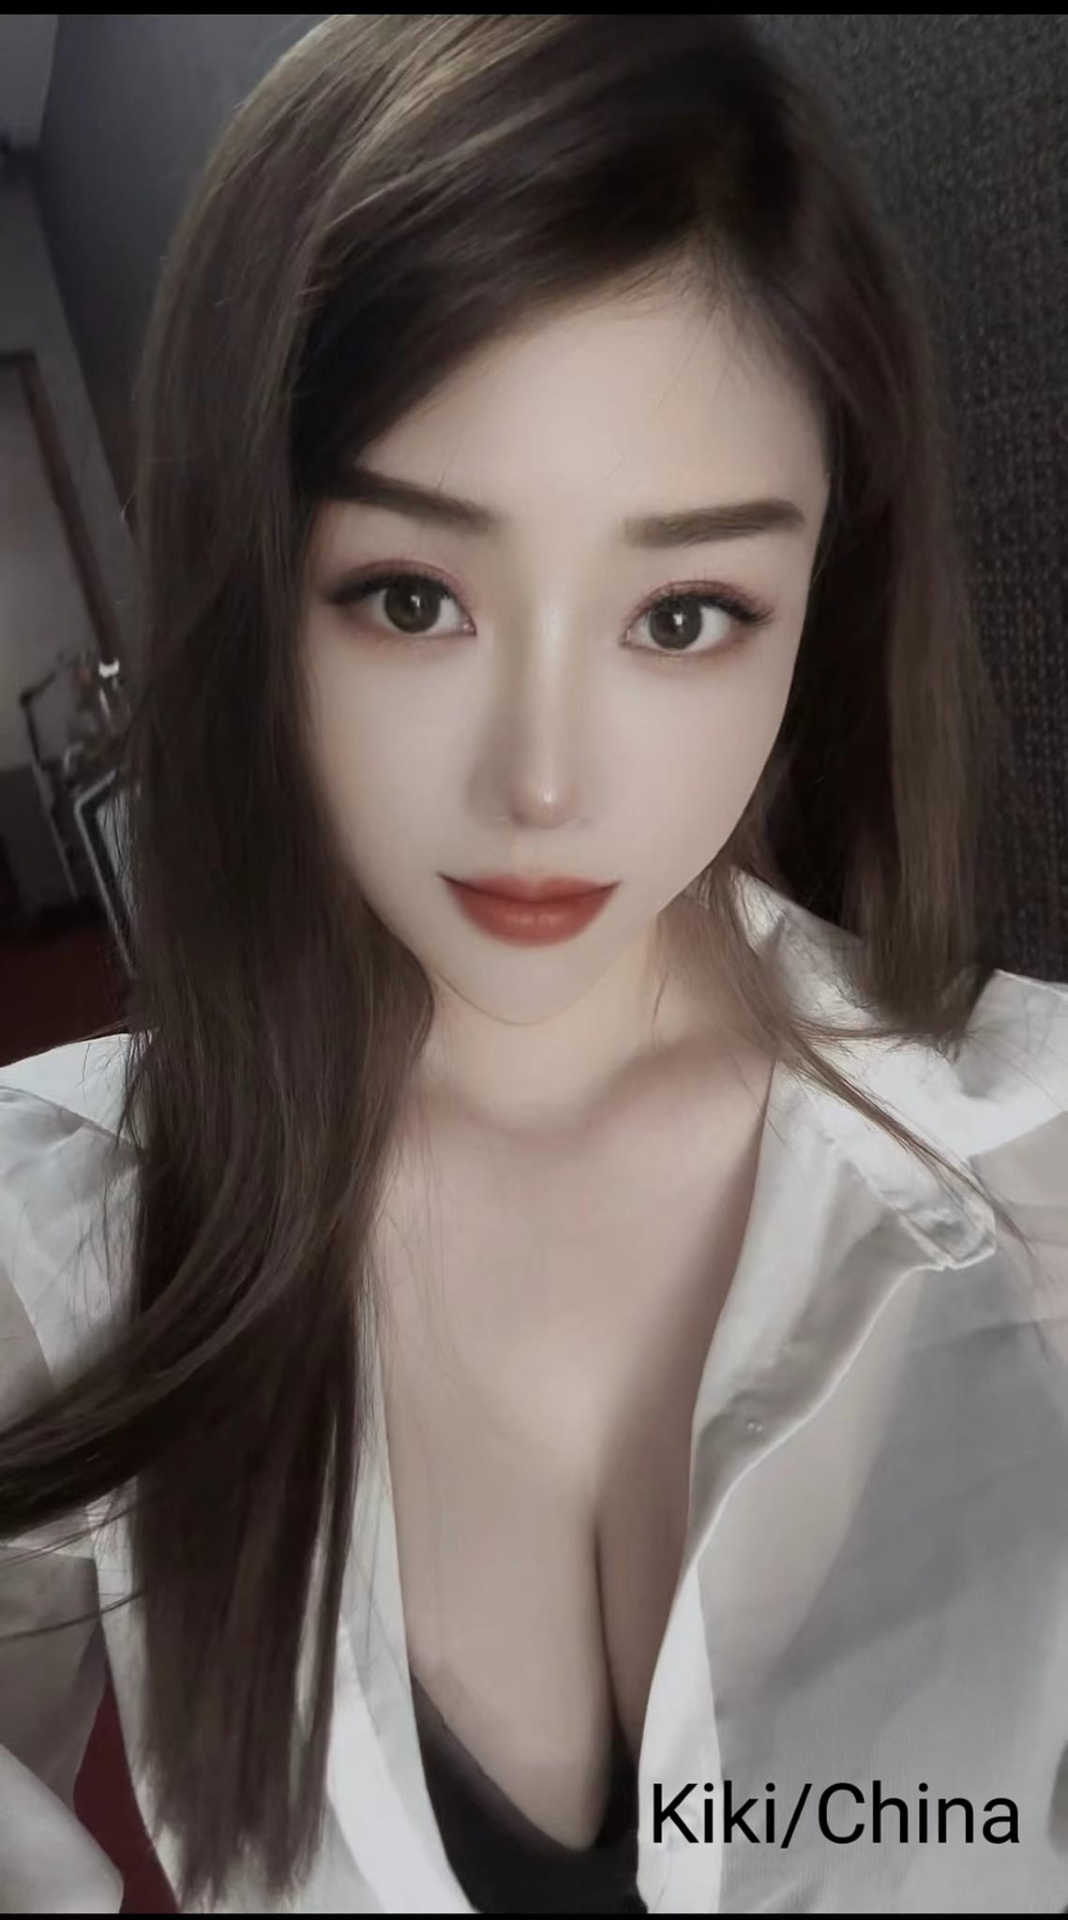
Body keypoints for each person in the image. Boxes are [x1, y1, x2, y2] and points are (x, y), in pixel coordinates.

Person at [1, 14, 1066, 1915]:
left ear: (819, 607)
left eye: (686, 613)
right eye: (412, 597)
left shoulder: (1036, 1174)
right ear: (252, 588)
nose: (545, 781)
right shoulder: (56, 1228)